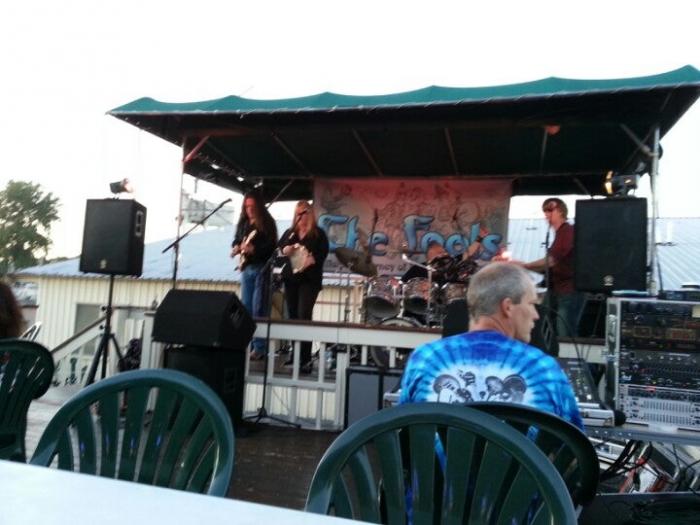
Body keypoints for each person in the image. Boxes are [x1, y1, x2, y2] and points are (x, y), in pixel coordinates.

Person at [399, 262, 583, 429]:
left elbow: (401, 431)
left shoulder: (425, 359)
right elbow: (574, 444)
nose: (536, 315)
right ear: (508, 307)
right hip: (519, 458)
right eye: (531, 304)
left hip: (439, 458)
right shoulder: (543, 367)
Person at [510, 198, 584, 337]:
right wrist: (521, 266)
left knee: (564, 330)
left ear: (561, 211)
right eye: (545, 210)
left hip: (569, 289)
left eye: (550, 209)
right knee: (544, 324)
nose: (546, 213)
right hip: (556, 288)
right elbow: (547, 267)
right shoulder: (560, 234)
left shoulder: (568, 231)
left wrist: (525, 265)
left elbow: (551, 261)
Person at [278, 201, 329, 373]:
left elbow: (322, 254)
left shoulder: (318, 234)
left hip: (309, 280)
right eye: (298, 213)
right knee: (292, 316)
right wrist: (286, 249)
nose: (300, 216)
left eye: (304, 212)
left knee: (303, 315)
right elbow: (281, 247)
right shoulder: (291, 232)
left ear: (310, 213)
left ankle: (305, 358)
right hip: (291, 279)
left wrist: (311, 260)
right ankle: (296, 353)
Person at [231, 191, 278, 359]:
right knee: (246, 308)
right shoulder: (243, 222)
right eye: (246, 206)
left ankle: (259, 347)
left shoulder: (267, 222)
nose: (249, 209)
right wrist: (236, 247)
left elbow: (272, 247)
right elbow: (237, 239)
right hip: (246, 267)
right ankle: (249, 344)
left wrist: (254, 249)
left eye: (252, 206)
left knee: (259, 307)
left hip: (261, 268)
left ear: (258, 206)